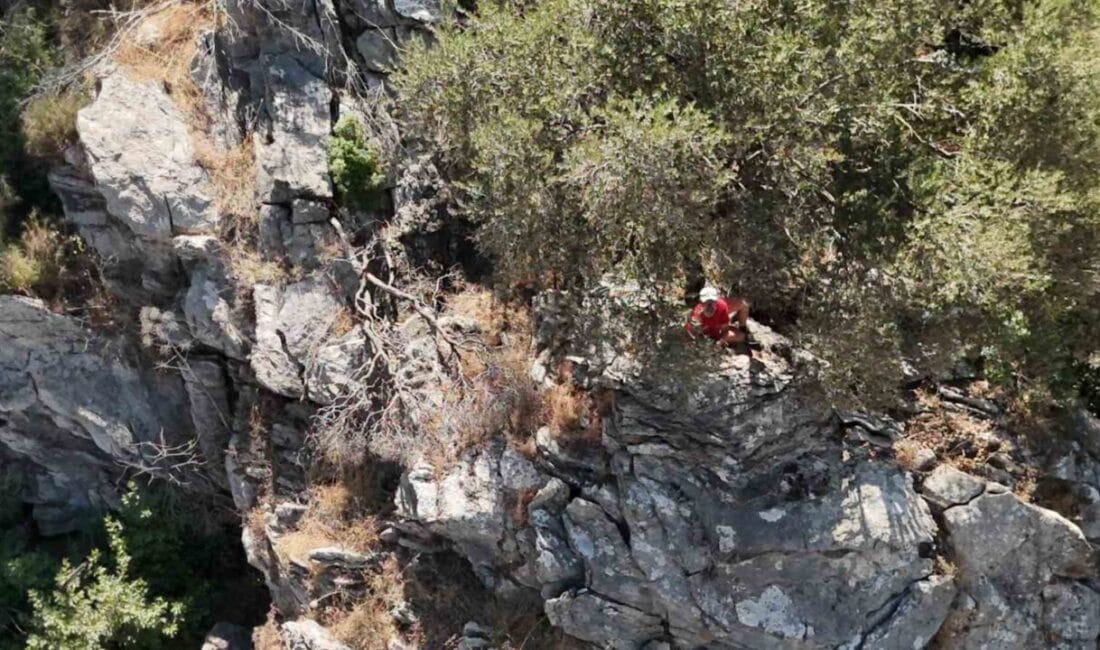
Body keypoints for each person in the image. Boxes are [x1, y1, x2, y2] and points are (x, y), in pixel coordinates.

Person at [685, 286, 750, 346]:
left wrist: (721, 340)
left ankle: (741, 326)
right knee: (740, 337)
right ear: (701, 302)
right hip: (709, 336)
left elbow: (725, 330)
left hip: (718, 328)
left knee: (741, 336)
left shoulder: (721, 306)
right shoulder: (696, 316)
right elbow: (691, 335)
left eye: (712, 301)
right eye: (707, 302)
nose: (710, 306)